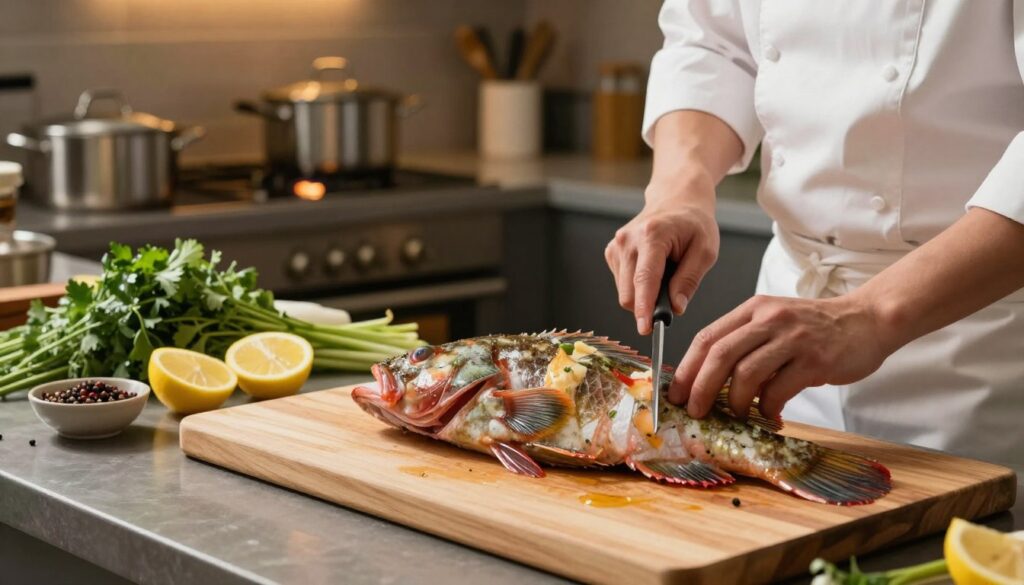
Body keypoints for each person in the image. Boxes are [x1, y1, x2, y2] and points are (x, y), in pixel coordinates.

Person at [605, 0, 1024, 473]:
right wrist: (679, 189)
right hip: (786, 335)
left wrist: (866, 316)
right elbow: (712, 43)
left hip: (974, 345)